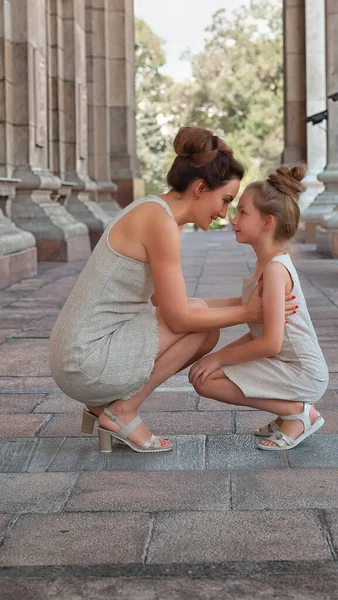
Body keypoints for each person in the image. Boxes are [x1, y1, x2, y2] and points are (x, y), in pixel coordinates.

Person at [49, 127, 297, 454]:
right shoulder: (160, 223)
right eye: (225, 200)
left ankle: (106, 407)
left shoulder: (157, 213)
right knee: (199, 329)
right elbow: (179, 319)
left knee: (198, 314)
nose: (225, 213)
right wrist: (248, 313)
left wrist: (246, 303)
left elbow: (167, 304)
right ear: (199, 188)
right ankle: (121, 411)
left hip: (78, 351)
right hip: (83, 358)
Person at [189, 163, 329, 451]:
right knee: (204, 374)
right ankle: (288, 412)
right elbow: (258, 334)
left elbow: (271, 343)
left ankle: (297, 413)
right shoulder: (265, 266)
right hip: (285, 364)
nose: (233, 218)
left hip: (301, 372)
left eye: (243, 212)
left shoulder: (276, 271)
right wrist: (219, 356)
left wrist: (218, 359)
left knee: (207, 379)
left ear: (267, 222)